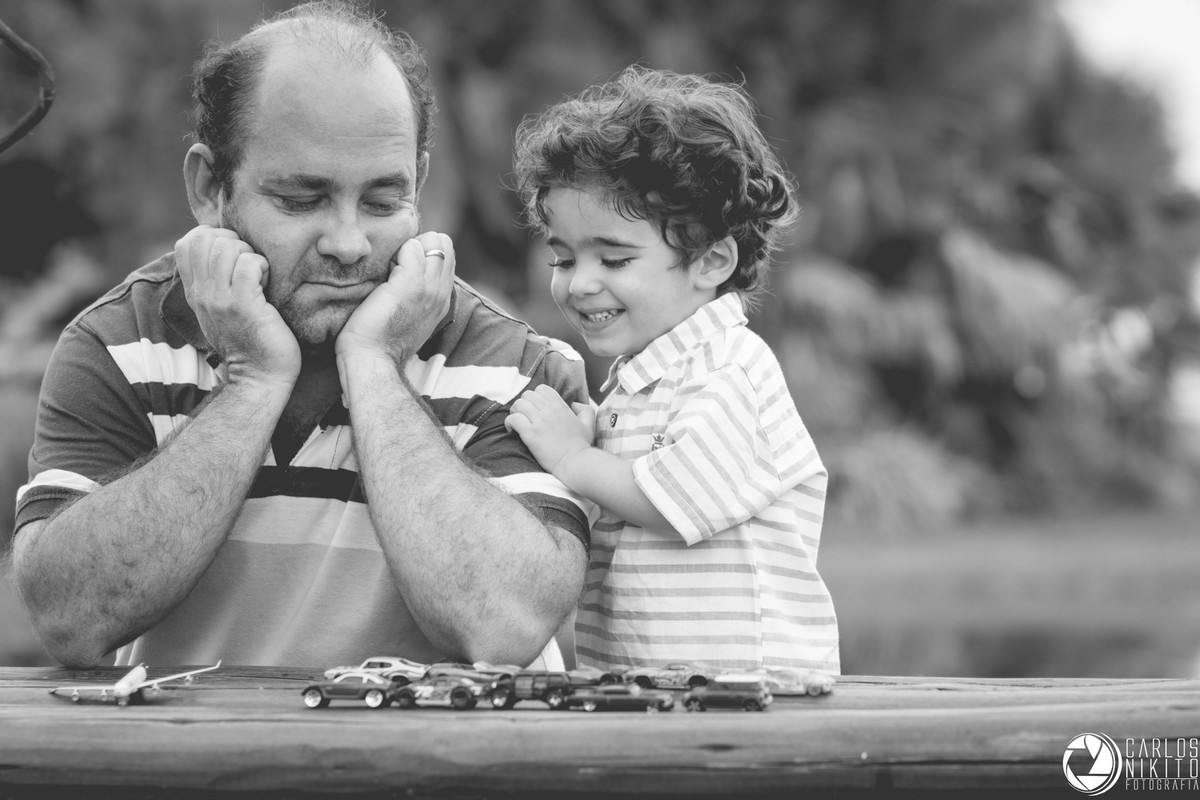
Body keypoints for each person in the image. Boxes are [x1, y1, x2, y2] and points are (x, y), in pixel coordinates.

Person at [10, 0, 594, 670]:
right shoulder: (117, 346)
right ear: (210, 188)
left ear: (420, 184)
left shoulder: (517, 367)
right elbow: (69, 618)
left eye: (382, 201)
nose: (349, 244)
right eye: (301, 200)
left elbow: (505, 626)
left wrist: (375, 365)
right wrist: (251, 379)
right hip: (192, 768)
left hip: (439, 776)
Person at [506, 66, 840, 683]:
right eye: (562, 257)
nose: (579, 282)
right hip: (656, 689)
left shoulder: (728, 370)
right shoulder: (643, 382)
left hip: (748, 693)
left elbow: (678, 497)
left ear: (711, 259)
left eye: (614, 258)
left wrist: (574, 458)